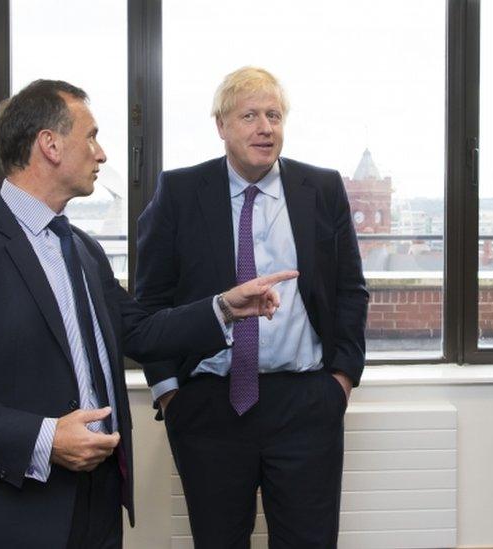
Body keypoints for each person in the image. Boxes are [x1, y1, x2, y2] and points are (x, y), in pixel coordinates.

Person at [0, 79, 296, 549]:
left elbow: (138, 331)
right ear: (50, 145)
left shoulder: (82, 249)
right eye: (91, 136)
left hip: (97, 504)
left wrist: (225, 308)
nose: (102, 154)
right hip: (9, 515)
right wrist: (44, 439)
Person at [135, 66, 368, 548]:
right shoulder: (179, 192)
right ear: (221, 125)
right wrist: (168, 392)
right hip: (209, 406)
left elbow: (350, 290)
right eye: (249, 115)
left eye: (274, 115)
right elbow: (150, 303)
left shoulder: (321, 189)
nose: (265, 127)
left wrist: (340, 381)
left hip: (305, 403)